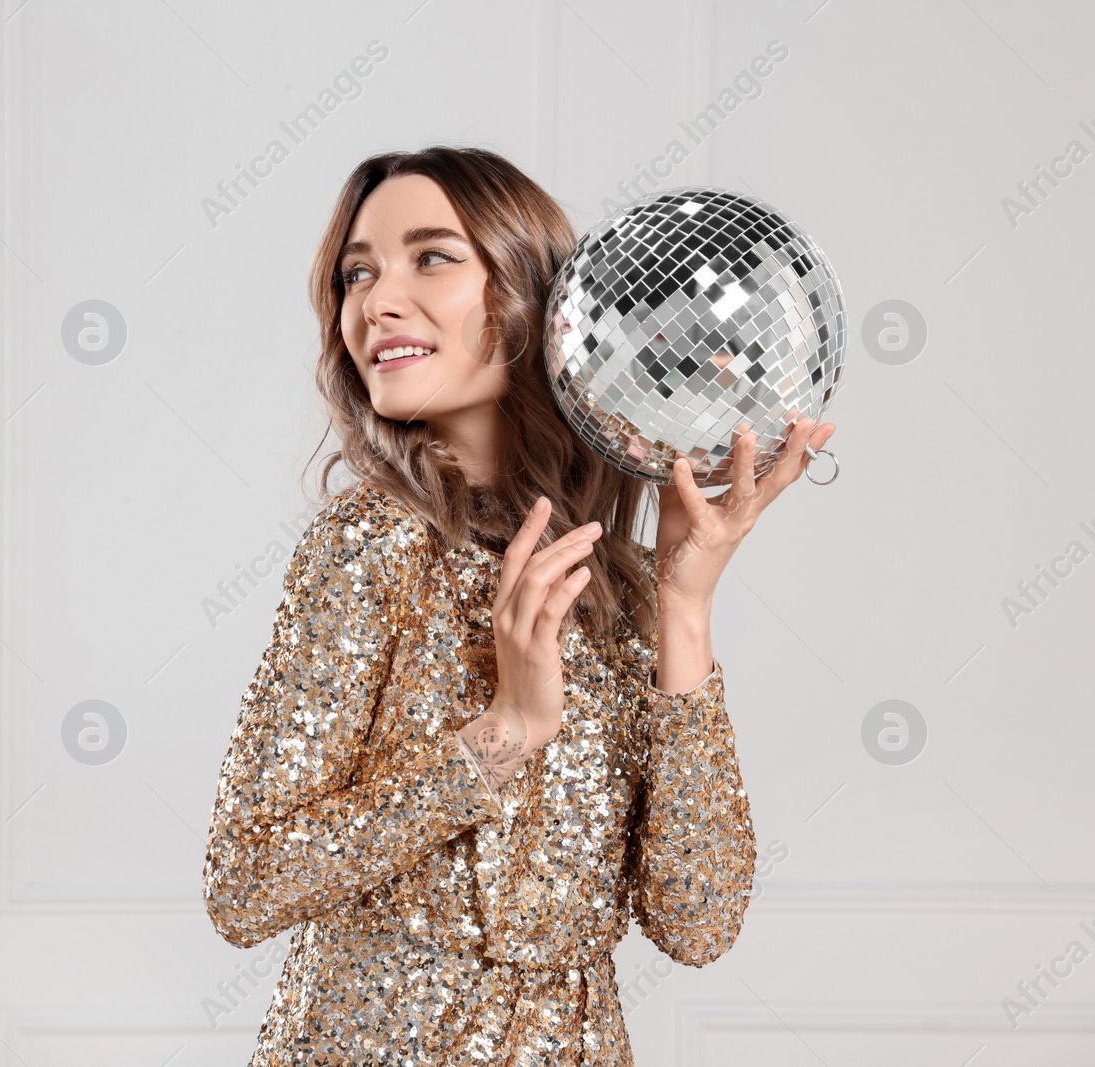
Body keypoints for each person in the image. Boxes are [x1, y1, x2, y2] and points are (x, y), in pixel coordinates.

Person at [200, 146, 837, 1066]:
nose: (376, 301)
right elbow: (246, 882)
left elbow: (698, 923)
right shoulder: (366, 547)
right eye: (357, 272)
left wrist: (685, 605)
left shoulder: (615, 583)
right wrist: (504, 733)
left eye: (432, 256)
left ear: (535, 298)